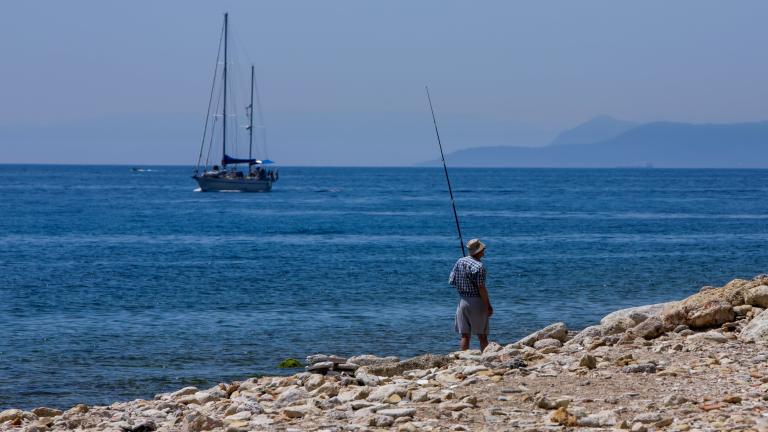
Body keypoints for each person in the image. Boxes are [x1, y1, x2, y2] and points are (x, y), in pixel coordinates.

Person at [449, 238, 492, 351]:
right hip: (476, 302)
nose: (484, 250)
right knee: (482, 336)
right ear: (478, 251)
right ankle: (486, 358)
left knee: (465, 335)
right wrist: (488, 305)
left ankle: (463, 361)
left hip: (462, 302)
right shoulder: (479, 267)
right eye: (483, 249)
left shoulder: (460, 261)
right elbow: (481, 288)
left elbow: (452, 281)